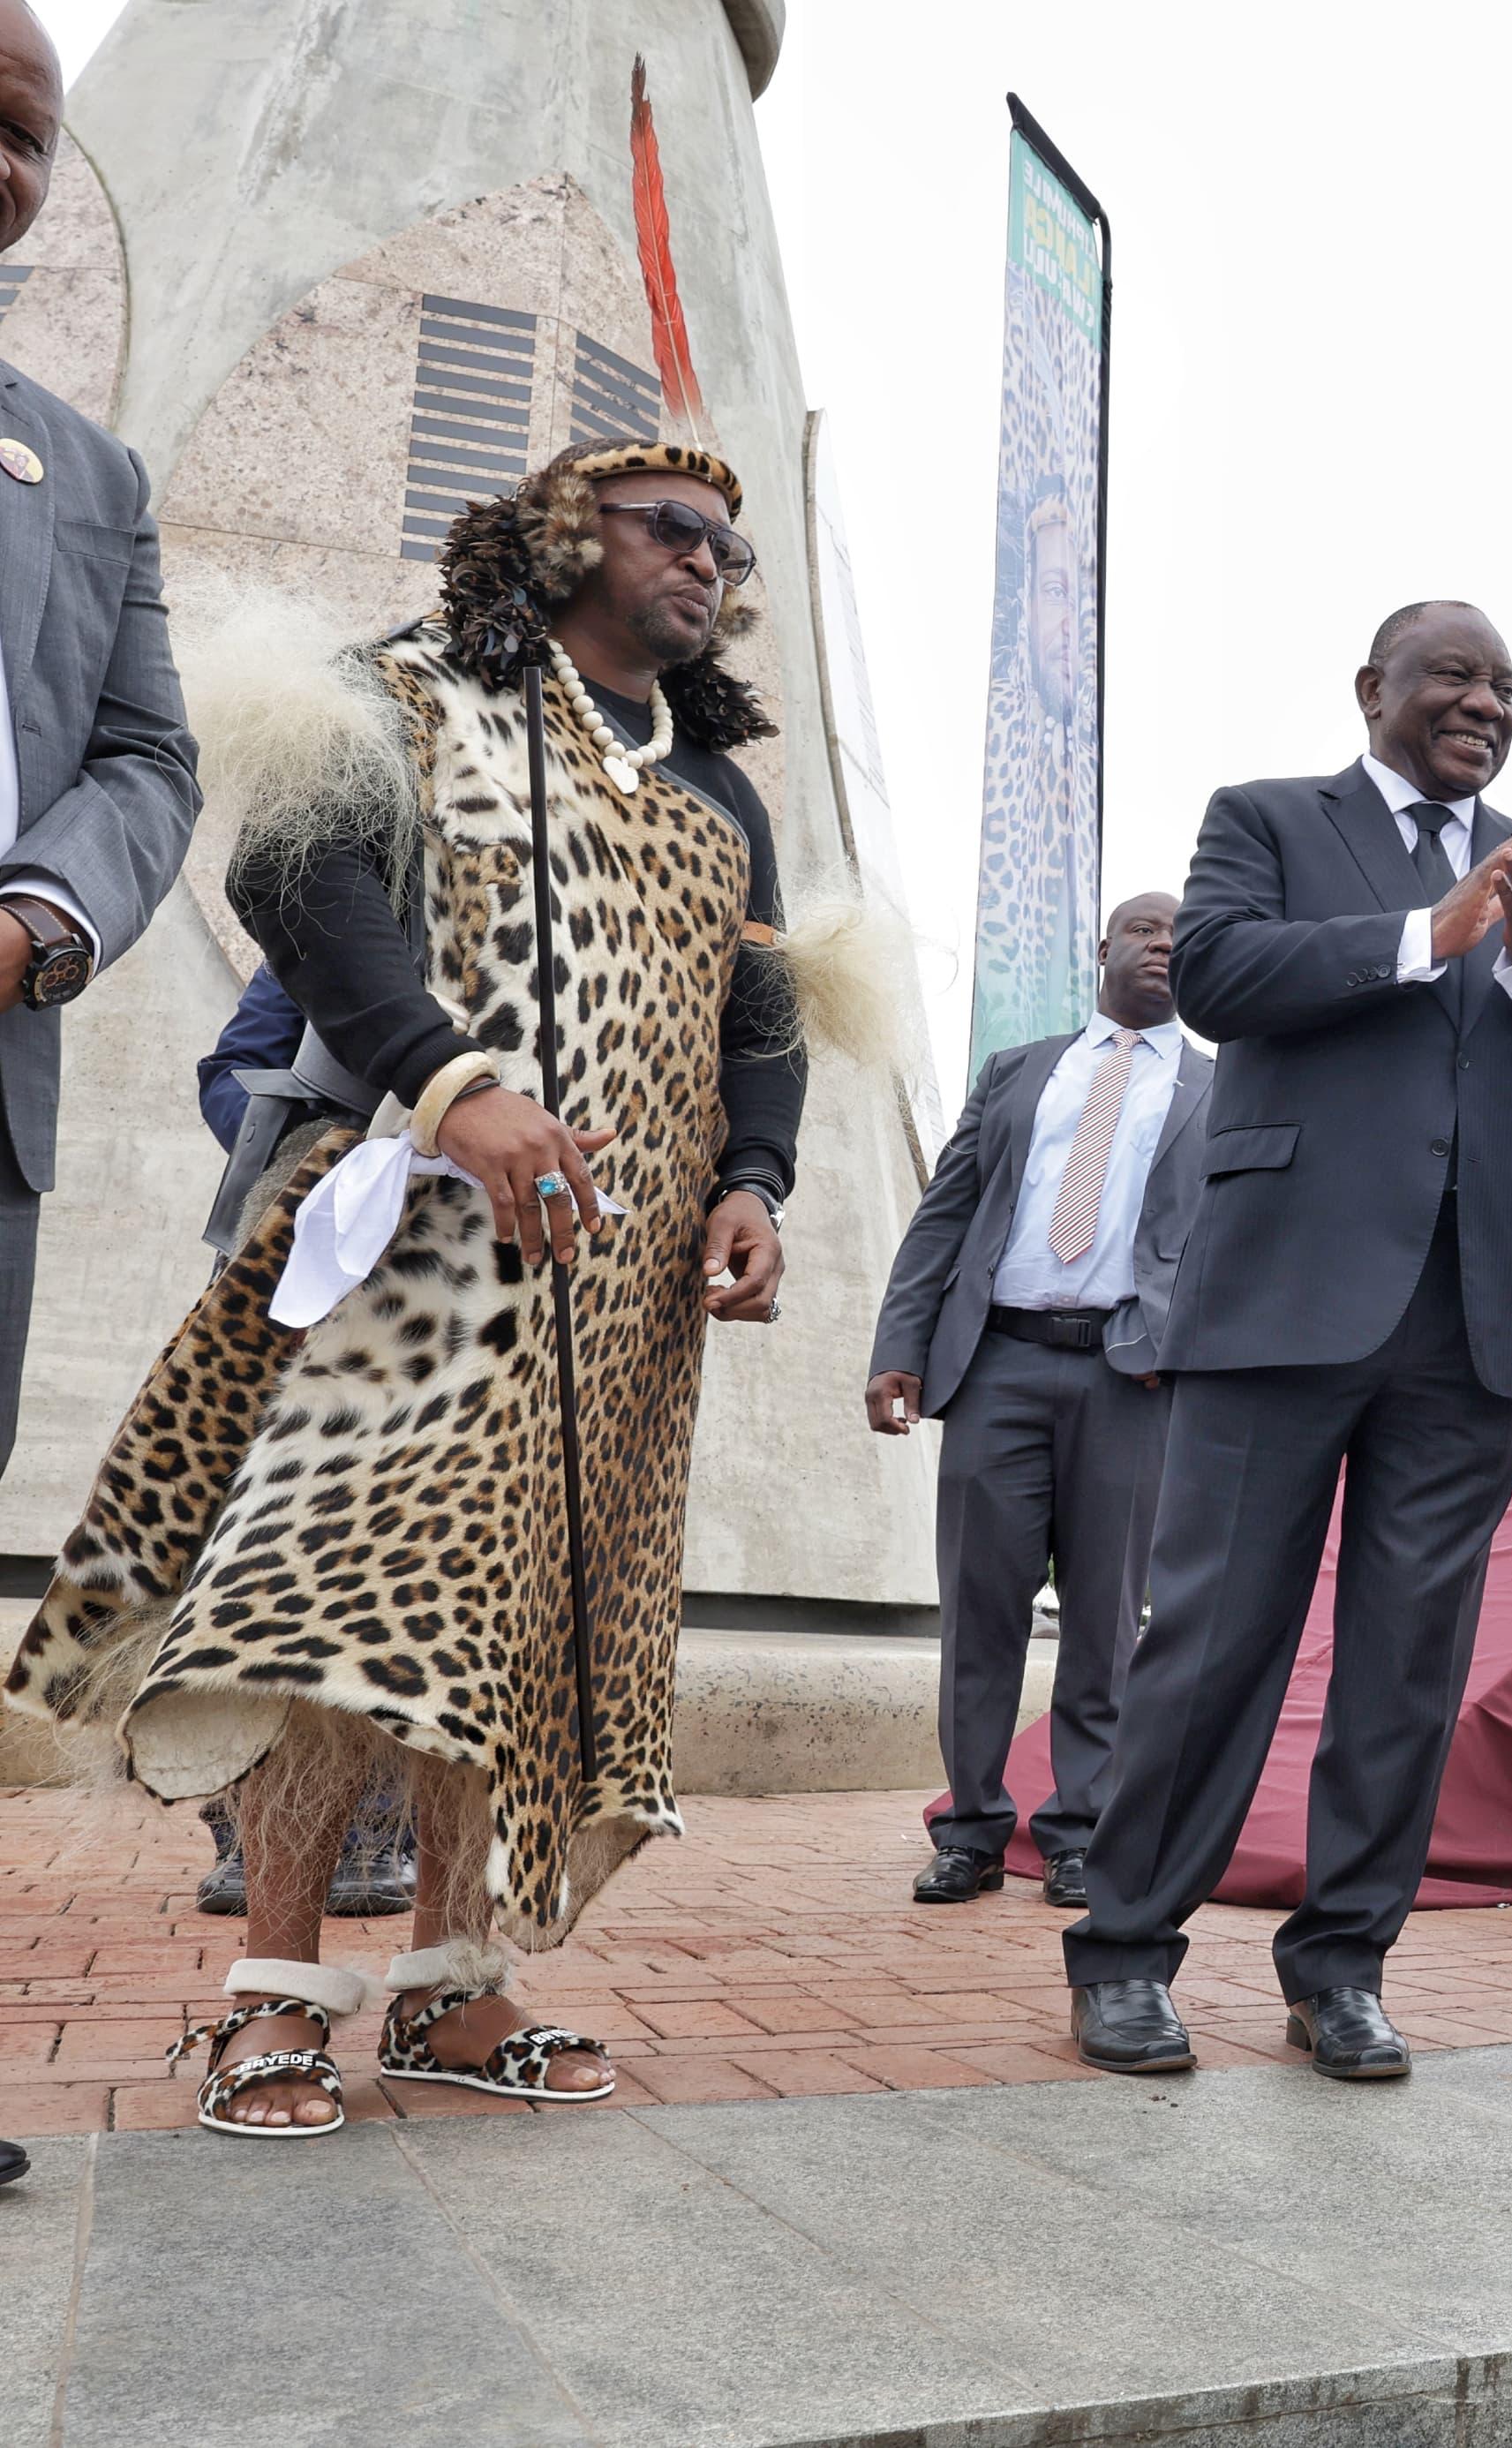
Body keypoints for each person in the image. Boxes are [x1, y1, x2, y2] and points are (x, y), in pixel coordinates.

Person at [1, 438, 812, 2140]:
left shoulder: (721, 795)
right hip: (413, 1237)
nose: (710, 563)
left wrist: (754, 1181)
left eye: (730, 552)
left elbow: (765, 1021)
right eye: (677, 528)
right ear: (566, 532)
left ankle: (451, 1980)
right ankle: (274, 1992)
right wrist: (452, 1082)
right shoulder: (413, 691)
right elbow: (296, 881)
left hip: (619, 1292)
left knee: (511, 1628)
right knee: (340, 1608)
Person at [1063, 600, 1512, 2081]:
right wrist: (1426, 933)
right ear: (1375, 687)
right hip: (1282, 1302)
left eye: (1506, 685)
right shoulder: (1265, 819)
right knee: (1211, 1643)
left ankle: (1342, 1968)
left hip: (1476, 1319)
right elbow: (1218, 979)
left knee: (1408, 1669)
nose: (1487, 702)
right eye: (1456, 674)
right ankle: (1124, 1950)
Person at [0, 0, 202, 2191]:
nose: (7, 165)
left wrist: (39, 917)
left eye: (30, 137)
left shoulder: (88, 476)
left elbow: (146, 758)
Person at [868, 891, 1204, 1911]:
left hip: (1131, 1377)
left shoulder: (1222, 1088)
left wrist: (1192, 1354)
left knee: (1106, 1621)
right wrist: (900, 1349)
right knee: (979, 1613)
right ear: (1102, 948)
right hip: (997, 1366)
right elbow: (946, 1215)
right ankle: (970, 1831)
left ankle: (1079, 1833)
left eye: (1183, 934)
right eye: (1144, 928)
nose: (1164, 943)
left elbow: (1245, 1244)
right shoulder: (1018, 1071)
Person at [186, 962, 417, 1919]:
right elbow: (236, 1068)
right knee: (261, 1544)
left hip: (452, 1285)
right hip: (298, 1256)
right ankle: (247, 1825)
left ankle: (381, 1829)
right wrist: (327, 1160)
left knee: (403, 1549)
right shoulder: (332, 905)